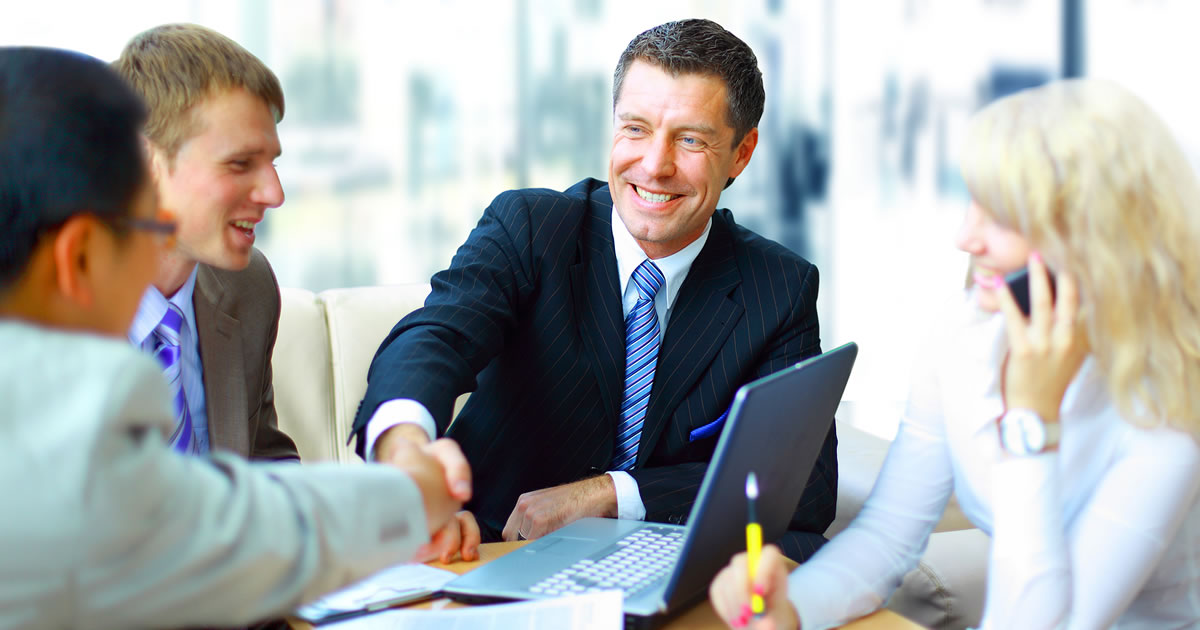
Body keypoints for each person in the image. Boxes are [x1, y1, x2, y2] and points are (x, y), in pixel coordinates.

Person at [0, 47, 471, 629]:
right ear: (79, 258)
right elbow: (199, 524)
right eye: (135, 233)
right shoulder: (57, 421)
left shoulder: (245, 290)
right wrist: (409, 497)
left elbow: (258, 471)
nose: (273, 194)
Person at [710, 79, 1200, 629]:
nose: (967, 237)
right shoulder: (965, 333)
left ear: (1098, 239)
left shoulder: (1167, 416)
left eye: (1003, 216)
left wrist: (1031, 422)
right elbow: (886, 538)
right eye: (973, 202)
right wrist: (792, 605)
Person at [355, 18, 838, 562]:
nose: (654, 166)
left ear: (741, 154)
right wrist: (404, 449)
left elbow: (807, 486)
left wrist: (611, 496)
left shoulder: (780, 286)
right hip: (496, 549)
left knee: (802, 557)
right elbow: (435, 337)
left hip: (660, 562)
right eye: (635, 129)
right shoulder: (532, 228)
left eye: (690, 139)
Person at [111, 24, 298, 460]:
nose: (274, 194)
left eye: (271, 163)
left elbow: (266, 464)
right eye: (239, 163)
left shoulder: (248, 288)